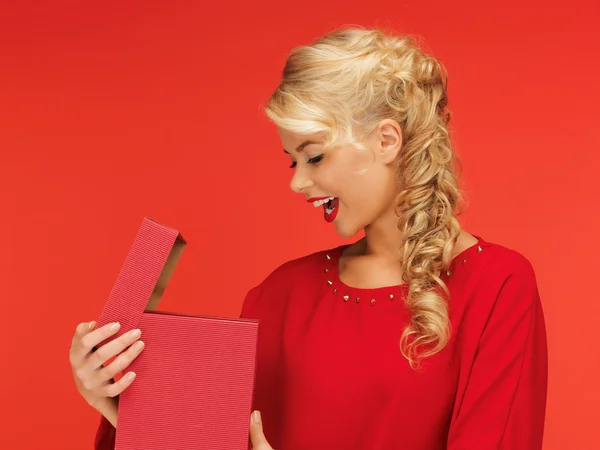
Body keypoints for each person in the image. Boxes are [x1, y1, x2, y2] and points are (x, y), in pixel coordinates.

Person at [70, 26, 548, 450]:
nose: (297, 183)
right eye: (291, 160)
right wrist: (120, 406)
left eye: (314, 156)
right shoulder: (280, 294)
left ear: (387, 140)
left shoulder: (497, 285)